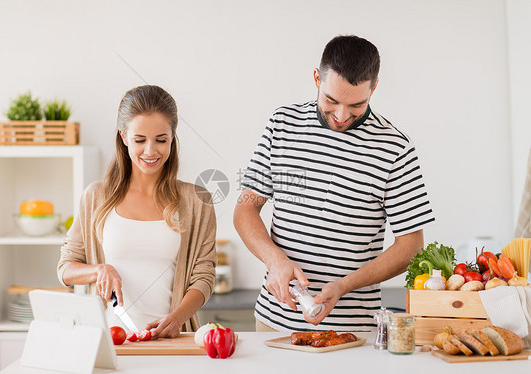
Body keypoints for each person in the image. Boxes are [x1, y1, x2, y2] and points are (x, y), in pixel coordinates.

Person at [234, 35, 435, 332]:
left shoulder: (395, 148)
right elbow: (245, 210)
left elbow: (411, 247)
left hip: (351, 333)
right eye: (331, 100)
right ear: (317, 78)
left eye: (356, 104)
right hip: (273, 325)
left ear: (374, 87)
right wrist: (274, 259)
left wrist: (344, 285)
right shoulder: (282, 124)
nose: (341, 116)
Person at [57, 85, 217, 337]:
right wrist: (100, 269)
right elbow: (65, 268)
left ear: (173, 136)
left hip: (171, 338)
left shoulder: (197, 200)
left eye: (161, 140)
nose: (150, 151)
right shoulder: (96, 196)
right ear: (123, 136)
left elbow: (204, 276)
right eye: (140, 140)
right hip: (108, 338)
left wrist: (176, 319)